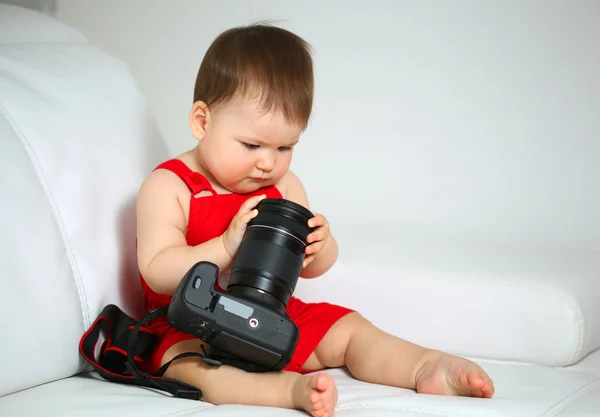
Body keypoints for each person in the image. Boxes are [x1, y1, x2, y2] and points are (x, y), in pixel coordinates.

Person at [136, 24, 495, 417]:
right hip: (190, 324)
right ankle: (288, 390)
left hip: (271, 316)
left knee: (349, 329)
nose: (267, 162)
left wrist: (322, 246)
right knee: (191, 370)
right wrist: (225, 246)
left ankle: (427, 366)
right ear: (203, 122)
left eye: (285, 146)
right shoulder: (171, 185)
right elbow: (156, 270)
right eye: (251, 145)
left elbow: (310, 269)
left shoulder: (284, 186)